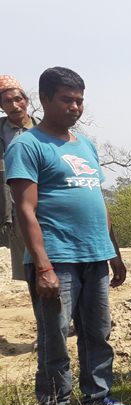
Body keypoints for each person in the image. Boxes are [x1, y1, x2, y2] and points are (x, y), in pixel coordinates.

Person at [6, 67, 131, 405]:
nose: (76, 107)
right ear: (45, 99)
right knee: (56, 337)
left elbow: (98, 199)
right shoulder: (26, 145)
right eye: (67, 99)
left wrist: (114, 252)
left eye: (80, 100)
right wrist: (43, 266)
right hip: (57, 259)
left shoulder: (85, 144)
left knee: (98, 332)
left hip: (94, 256)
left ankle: (98, 400)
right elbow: (25, 210)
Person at [1, 75, 38, 283]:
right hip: (15, 212)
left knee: (58, 264)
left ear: (27, 101)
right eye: (7, 101)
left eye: (18, 99)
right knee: (30, 270)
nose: (15, 105)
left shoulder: (44, 129)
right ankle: (43, 314)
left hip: (47, 208)